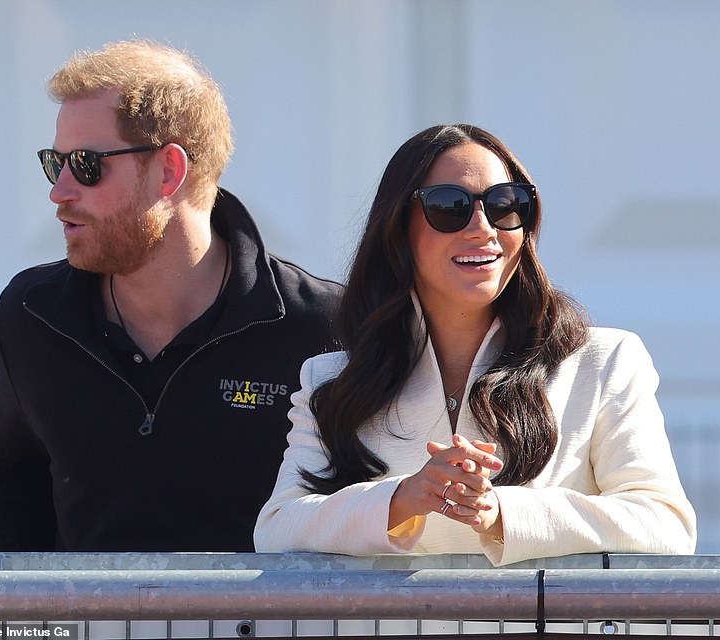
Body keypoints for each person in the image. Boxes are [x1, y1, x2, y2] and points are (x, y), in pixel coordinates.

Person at [254, 124, 697, 565]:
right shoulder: (332, 379)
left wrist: (503, 513)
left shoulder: (605, 362)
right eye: (450, 208)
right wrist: (402, 499)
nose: (483, 229)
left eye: (506, 206)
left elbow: (665, 524)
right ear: (398, 230)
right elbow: (277, 527)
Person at [0, 40, 341, 552]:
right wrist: (30, 617)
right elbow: (9, 472)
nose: (58, 191)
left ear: (169, 171)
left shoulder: (321, 325)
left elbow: (351, 507)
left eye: (84, 164)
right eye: (52, 163)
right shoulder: (32, 314)